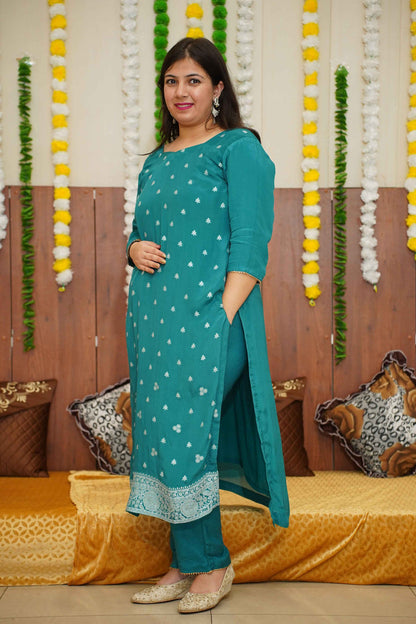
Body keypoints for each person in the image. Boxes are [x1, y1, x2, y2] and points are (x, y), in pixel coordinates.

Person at [125, 37, 289, 614]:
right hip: (154, 325)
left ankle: (212, 564)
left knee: (188, 434)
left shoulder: (238, 149)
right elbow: (143, 230)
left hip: (211, 320)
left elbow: (251, 240)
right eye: (172, 81)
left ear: (217, 88)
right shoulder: (155, 161)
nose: (182, 91)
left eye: (194, 80)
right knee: (165, 435)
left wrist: (220, 316)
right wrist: (133, 248)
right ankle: (184, 562)